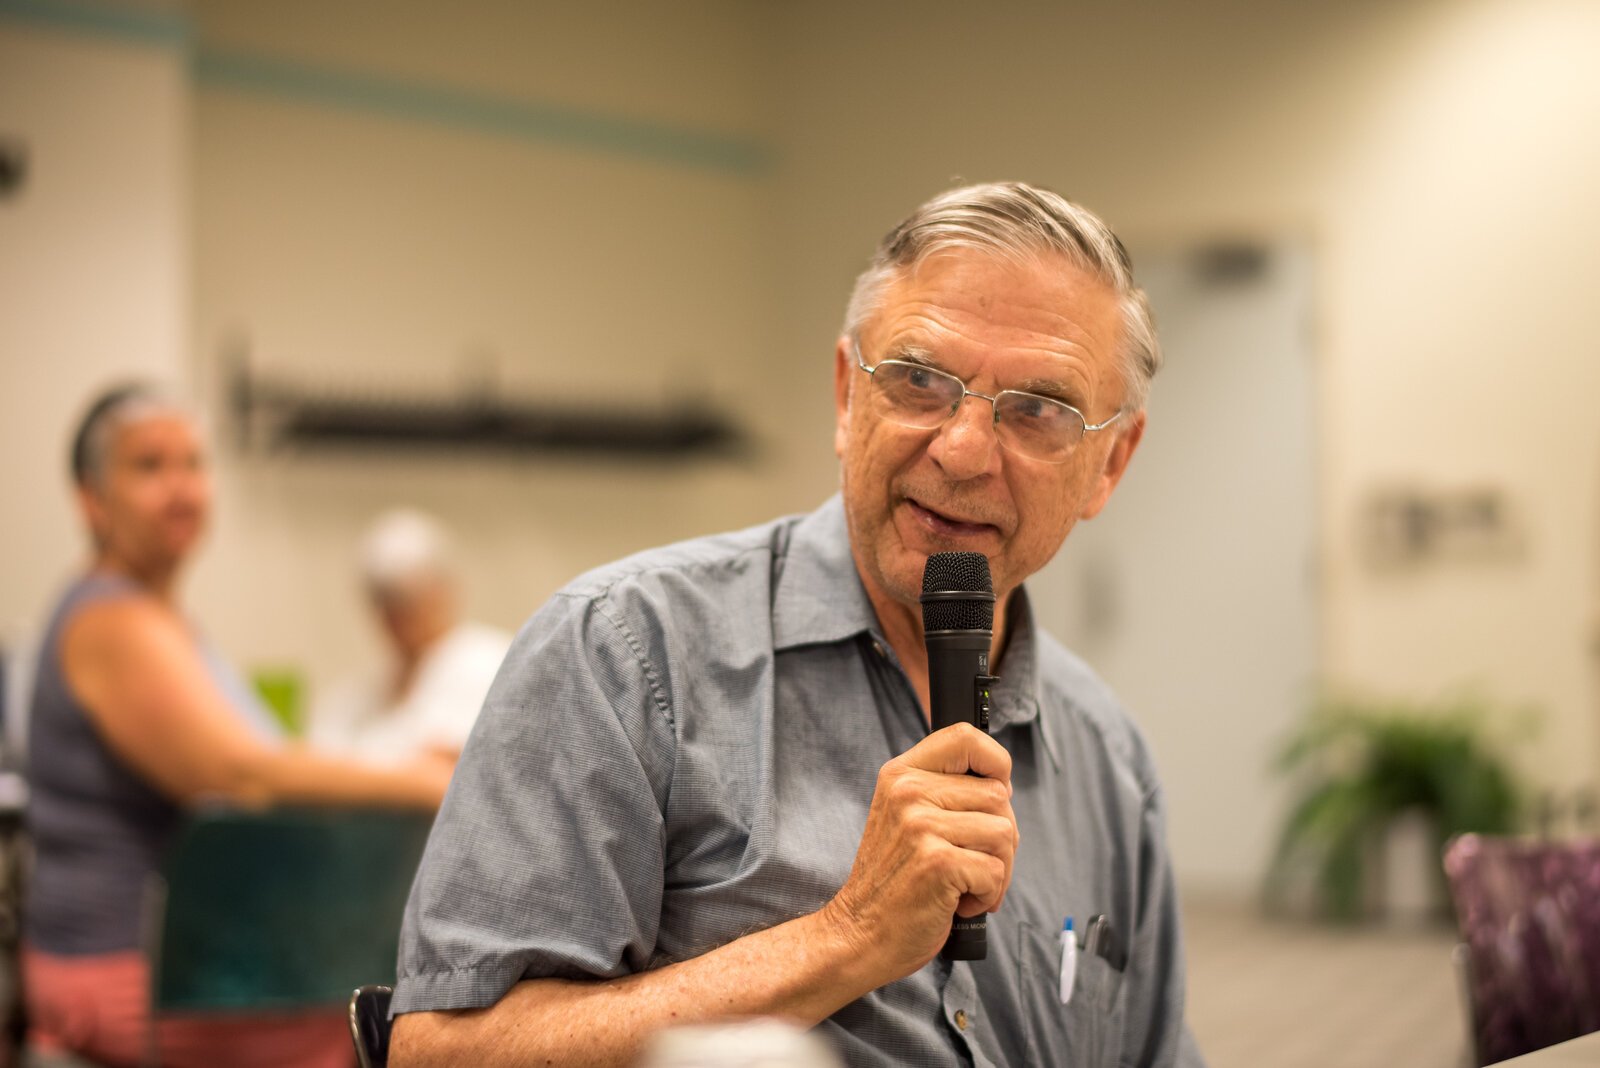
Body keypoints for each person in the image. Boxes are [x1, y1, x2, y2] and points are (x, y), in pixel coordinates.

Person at [390, 182, 1206, 1067]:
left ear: (1110, 464)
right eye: (920, 382)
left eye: (1038, 411)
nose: (964, 451)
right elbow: (440, 1054)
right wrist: (847, 939)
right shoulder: (622, 654)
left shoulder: (1107, 758)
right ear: (848, 398)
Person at [23, 384, 453, 1068]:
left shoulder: (160, 621)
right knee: (406, 1033)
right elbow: (241, 774)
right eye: (149, 466)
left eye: (193, 463)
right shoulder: (113, 621)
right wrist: (427, 781)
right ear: (90, 499)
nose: (182, 488)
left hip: (176, 968)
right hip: (130, 975)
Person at [309, 509, 511, 763]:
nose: (396, 617)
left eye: (406, 600)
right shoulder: (356, 695)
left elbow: (446, 766)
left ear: (445, 590)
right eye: (384, 600)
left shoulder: (491, 664)